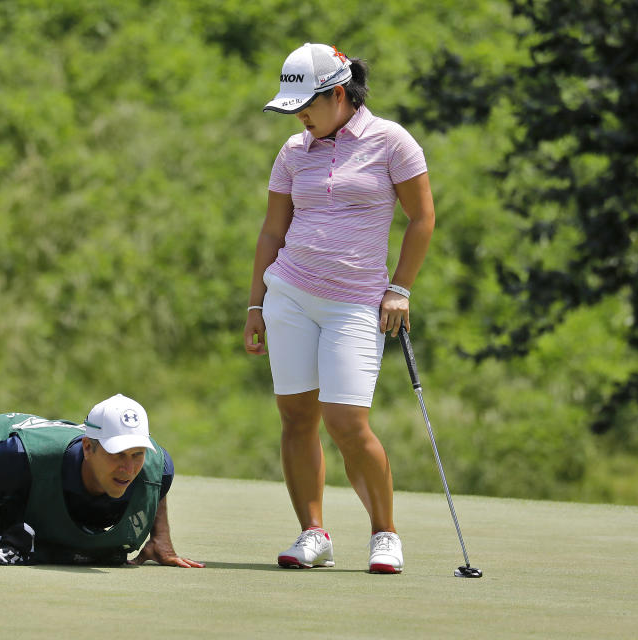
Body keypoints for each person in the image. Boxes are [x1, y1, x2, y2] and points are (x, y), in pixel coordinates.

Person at [243, 43, 435, 573]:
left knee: (347, 422)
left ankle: (384, 535)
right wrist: (255, 304)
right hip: (289, 296)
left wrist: (401, 288)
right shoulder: (292, 150)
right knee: (296, 416)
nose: (300, 116)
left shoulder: (391, 141)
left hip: (355, 303)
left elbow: (422, 219)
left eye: (307, 105)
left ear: (338, 93)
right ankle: (313, 533)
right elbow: (272, 230)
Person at [0, 393, 203, 568]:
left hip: (23, 482)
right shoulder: (20, 456)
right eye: (117, 453)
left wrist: (160, 539)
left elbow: (154, 484)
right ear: (89, 448)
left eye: (136, 454)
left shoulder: (157, 467)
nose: (128, 467)